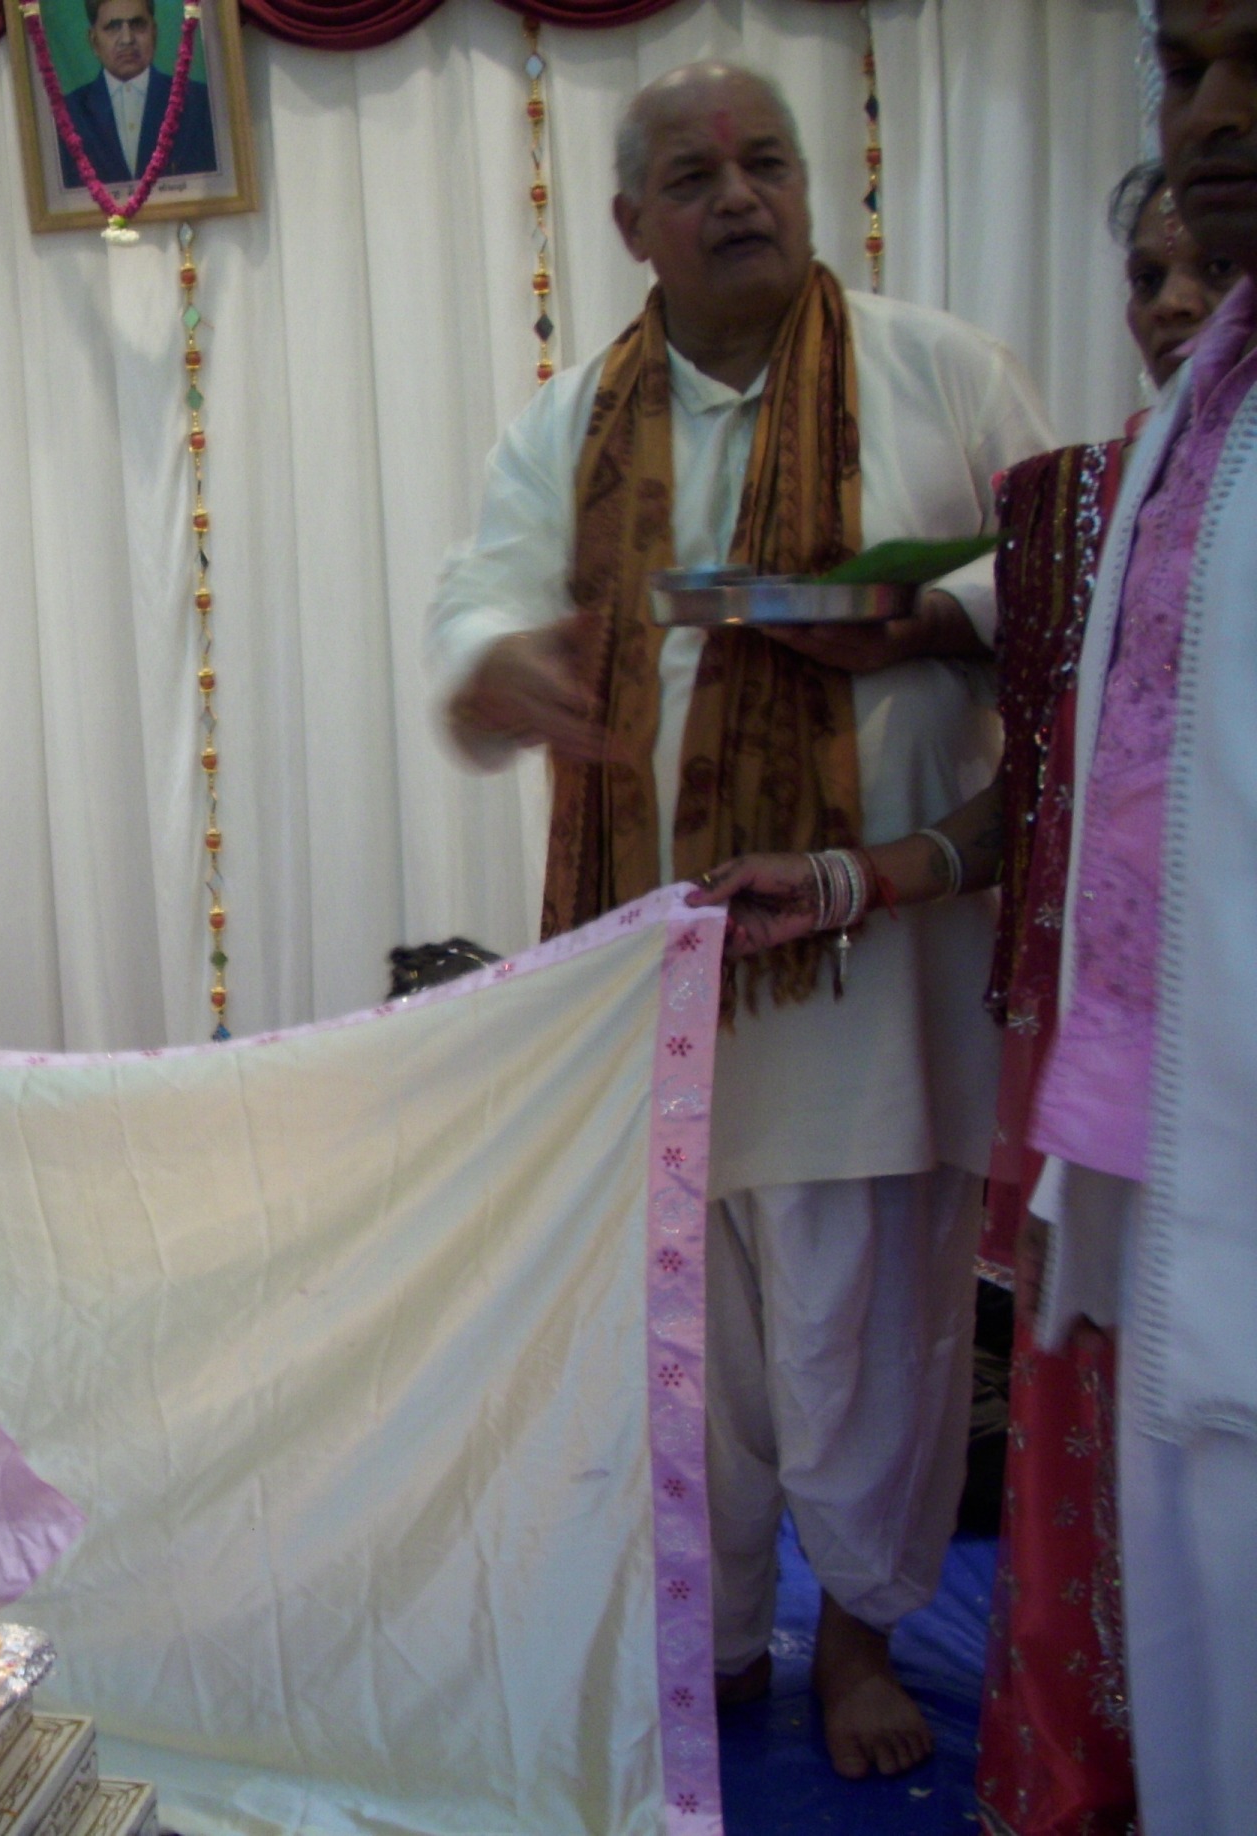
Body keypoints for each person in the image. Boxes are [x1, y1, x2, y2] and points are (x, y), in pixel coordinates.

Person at [425, 62, 1051, 1780]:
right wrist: (502, 665)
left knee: (863, 1323)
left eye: (763, 162)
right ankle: (716, 1627)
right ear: (627, 222)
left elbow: (1064, 582)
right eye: (692, 173)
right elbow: (476, 613)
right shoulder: (564, 430)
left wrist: (920, 622)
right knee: (685, 1336)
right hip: (661, 958)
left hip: (872, 966)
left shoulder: (938, 372)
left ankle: (857, 1630)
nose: (738, 195)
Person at [692, 162, 1237, 1836]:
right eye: (1141, 268)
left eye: (1196, 266)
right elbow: (1058, 802)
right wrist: (852, 877)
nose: (1162, 301)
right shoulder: (1105, 498)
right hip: (1106, 1080)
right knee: (1134, 1467)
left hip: (1214, 1077)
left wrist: (915, 619)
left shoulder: (1071, 464)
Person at [57, 0, 216, 189]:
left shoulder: (199, 102)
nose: (127, 39)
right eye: (113, 27)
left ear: (154, 32)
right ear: (93, 40)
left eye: (138, 25)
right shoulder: (68, 114)